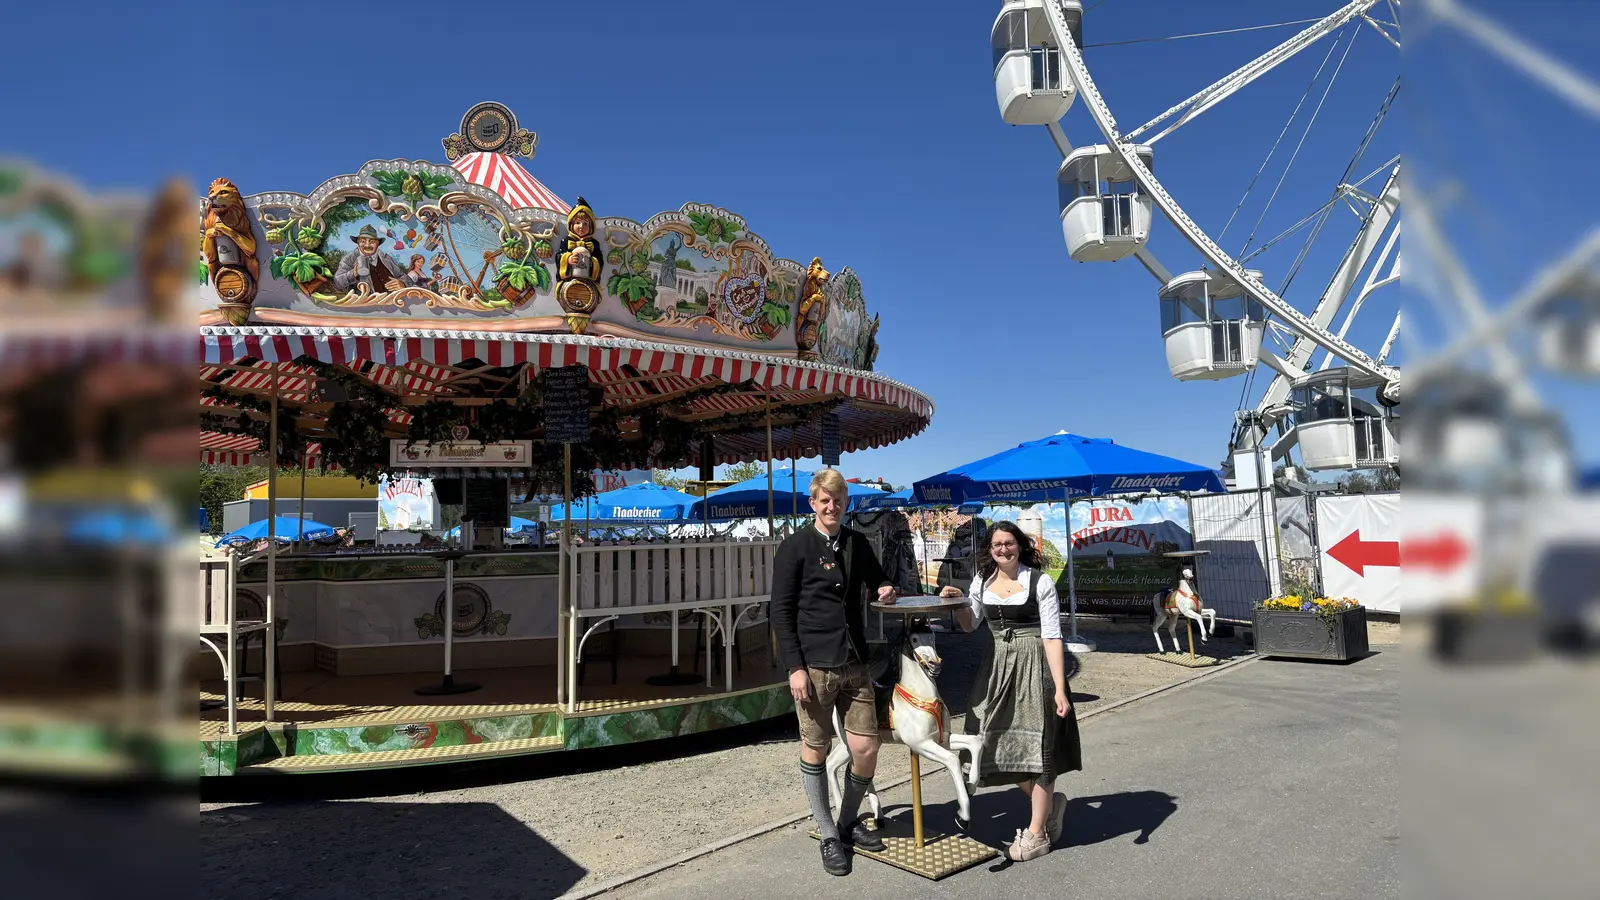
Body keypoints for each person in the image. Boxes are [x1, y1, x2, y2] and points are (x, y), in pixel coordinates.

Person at [771, 469, 898, 876]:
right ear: (813, 503)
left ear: (845, 503)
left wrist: (884, 587)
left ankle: (845, 823)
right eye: (824, 500)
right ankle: (827, 833)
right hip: (814, 665)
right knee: (817, 748)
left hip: (854, 661)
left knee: (866, 749)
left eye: (837, 500)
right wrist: (795, 667)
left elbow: (877, 577)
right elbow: (781, 612)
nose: (831, 506)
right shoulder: (794, 547)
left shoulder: (857, 543)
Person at [940, 520, 1082, 861]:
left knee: (1037, 749)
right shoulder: (981, 581)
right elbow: (970, 625)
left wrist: (1060, 689)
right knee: (987, 744)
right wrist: (958, 600)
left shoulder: (1040, 581)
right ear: (990, 549)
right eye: (996, 544)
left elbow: (1051, 637)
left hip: (1035, 667)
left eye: (1009, 543)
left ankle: (1036, 833)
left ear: (1020, 545)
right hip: (997, 669)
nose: (1003, 549)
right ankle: (1051, 806)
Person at [333, 224, 407, 293]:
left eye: (372, 242)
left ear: (377, 243)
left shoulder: (385, 258)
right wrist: (353, 274)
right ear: (358, 242)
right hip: (366, 305)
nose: (367, 245)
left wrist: (403, 283)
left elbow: (404, 277)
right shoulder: (349, 259)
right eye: (363, 241)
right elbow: (337, 283)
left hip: (393, 303)